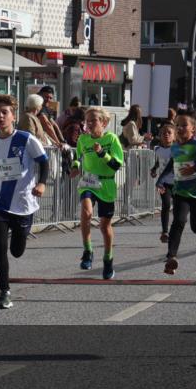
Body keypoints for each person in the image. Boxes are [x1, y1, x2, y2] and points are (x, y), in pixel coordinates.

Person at [0, 93, 48, 309]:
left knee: (16, 250)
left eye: (4, 112)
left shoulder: (26, 139)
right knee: (0, 246)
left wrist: (42, 183)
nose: (0, 116)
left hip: (23, 202)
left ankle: (21, 238)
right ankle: (4, 292)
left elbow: (43, 162)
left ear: (12, 115)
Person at [69, 107, 124, 280]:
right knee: (86, 213)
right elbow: (78, 157)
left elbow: (116, 165)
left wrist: (102, 153)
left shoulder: (111, 138)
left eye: (94, 120)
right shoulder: (83, 139)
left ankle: (108, 259)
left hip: (106, 183)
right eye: (87, 121)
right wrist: (75, 167)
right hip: (89, 182)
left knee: (104, 226)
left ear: (104, 122)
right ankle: (88, 251)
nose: (90, 124)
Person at [161, 115, 196, 274]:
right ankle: (171, 257)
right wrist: (160, 179)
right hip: (180, 191)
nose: (180, 128)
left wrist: (194, 168)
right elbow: (172, 165)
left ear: (192, 128)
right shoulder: (175, 147)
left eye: (184, 125)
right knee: (178, 221)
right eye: (177, 125)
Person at [150, 122, 176, 243]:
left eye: (169, 133)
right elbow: (158, 163)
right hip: (164, 183)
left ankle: (176, 229)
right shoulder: (158, 150)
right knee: (165, 205)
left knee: (177, 208)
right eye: (163, 133)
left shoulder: (176, 149)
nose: (166, 135)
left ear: (174, 136)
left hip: (177, 182)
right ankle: (165, 231)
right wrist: (154, 170)